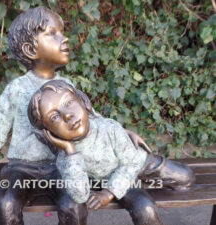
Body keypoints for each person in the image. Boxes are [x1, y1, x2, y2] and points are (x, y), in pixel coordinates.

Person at [0, 6, 149, 225]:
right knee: (5, 204)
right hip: (21, 168)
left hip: (60, 165)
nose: (64, 39)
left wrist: (124, 132)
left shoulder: (66, 86)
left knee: (73, 205)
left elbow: (91, 116)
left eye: (62, 32)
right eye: (52, 33)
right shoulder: (16, 88)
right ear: (30, 49)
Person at [28, 80, 195, 225]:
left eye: (68, 103)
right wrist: (71, 152)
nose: (68, 115)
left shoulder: (108, 128)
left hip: (134, 161)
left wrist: (109, 193)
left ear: (81, 100)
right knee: (145, 207)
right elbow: (79, 196)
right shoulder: (65, 157)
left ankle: (151, 175)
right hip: (113, 178)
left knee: (185, 176)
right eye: (54, 117)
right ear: (47, 132)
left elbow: (131, 162)